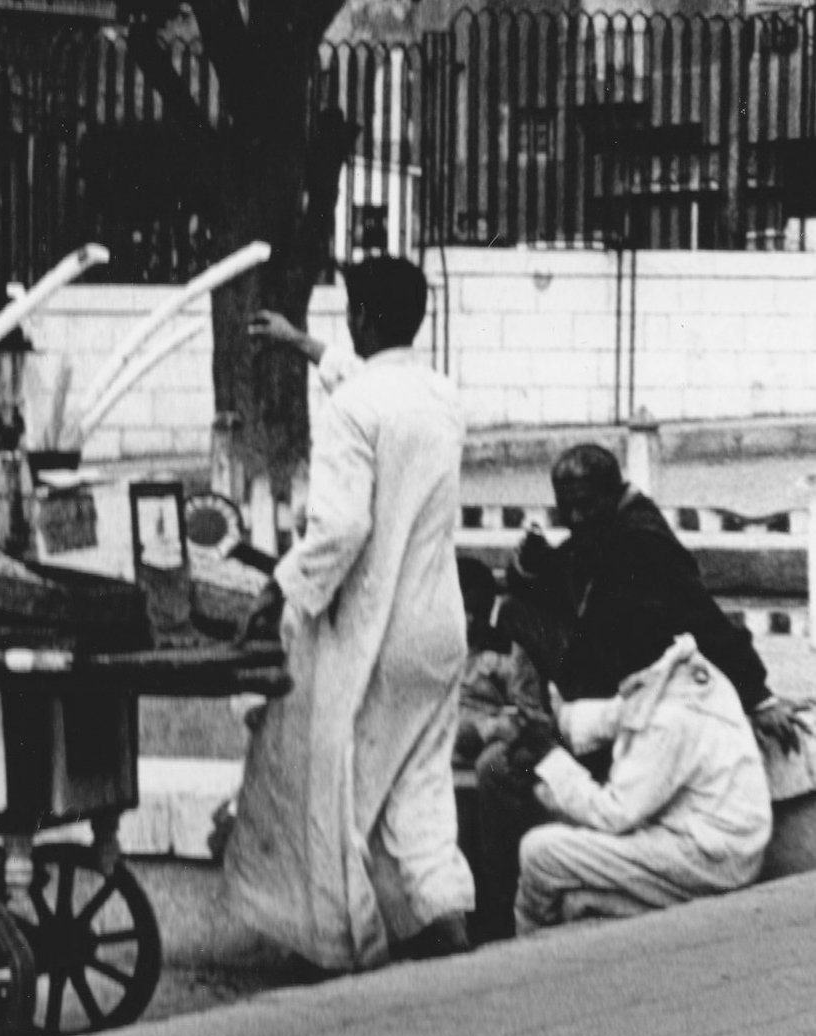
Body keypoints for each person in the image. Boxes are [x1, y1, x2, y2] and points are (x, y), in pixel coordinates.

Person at [225, 256, 476, 972]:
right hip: (437, 634)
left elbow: (338, 530)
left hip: (374, 639)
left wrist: (279, 589)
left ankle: (344, 948)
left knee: (338, 798)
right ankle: (450, 937)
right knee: (420, 795)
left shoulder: (351, 410)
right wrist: (303, 344)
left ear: (360, 316)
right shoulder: (441, 396)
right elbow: (371, 386)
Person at [474, 443, 800, 940]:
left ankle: (515, 937)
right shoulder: (648, 672)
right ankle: (517, 913)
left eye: (586, 504)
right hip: (619, 742)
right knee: (501, 768)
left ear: (614, 492)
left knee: (536, 838)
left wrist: (759, 695)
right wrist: (531, 569)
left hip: (701, 850)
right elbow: (614, 709)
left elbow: (702, 614)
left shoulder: (644, 546)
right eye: (569, 507)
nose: (577, 517)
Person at [510, 635, 772, 933]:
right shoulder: (687, 673)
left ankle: (527, 943)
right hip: (726, 845)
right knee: (573, 887)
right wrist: (558, 722)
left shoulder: (668, 718)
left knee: (539, 852)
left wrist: (549, 757)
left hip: (706, 859)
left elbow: (614, 813)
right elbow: (622, 712)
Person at [454, 557, 543, 770]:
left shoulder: (506, 656)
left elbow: (530, 717)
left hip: (481, 747)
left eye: (479, 610)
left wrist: (486, 729)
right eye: (464, 610)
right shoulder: (430, 653)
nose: (472, 620)